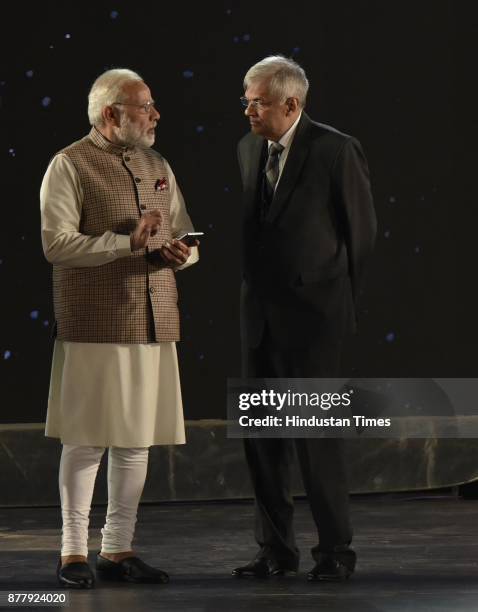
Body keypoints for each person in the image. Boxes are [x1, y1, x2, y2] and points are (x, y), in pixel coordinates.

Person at [40, 68, 199, 589]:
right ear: (111, 114)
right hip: (94, 322)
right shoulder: (70, 164)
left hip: (154, 319)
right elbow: (57, 244)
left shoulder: (158, 163)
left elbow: (184, 232)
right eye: (144, 106)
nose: (155, 115)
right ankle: (72, 553)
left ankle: (117, 548)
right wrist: (125, 242)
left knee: (135, 441)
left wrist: (183, 253)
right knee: (87, 440)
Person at [232, 56, 376, 581]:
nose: (248, 109)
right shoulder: (249, 149)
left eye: (258, 101)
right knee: (262, 440)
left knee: (316, 441)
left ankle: (335, 552)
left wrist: (337, 309)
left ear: (292, 104)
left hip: (315, 321)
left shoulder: (335, 150)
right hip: (260, 321)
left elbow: (360, 236)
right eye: (246, 99)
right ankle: (275, 550)